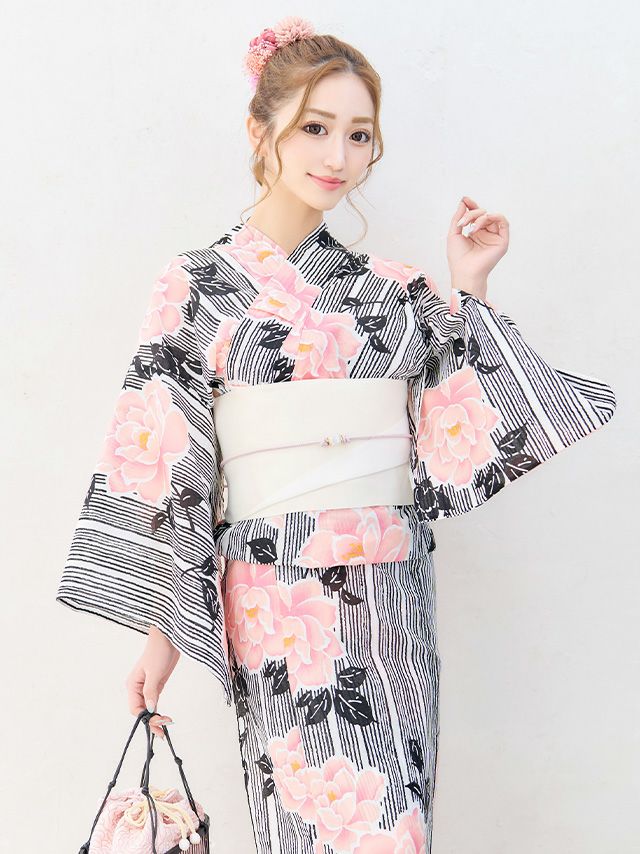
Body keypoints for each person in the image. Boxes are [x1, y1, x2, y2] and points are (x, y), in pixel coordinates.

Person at [56, 16, 617, 854]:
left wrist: (469, 286)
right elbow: (177, 468)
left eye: (358, 135)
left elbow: (458, 431)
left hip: (391, 589)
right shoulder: (197, 285)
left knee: (395, 825)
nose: (338, 155)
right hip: (274, 598)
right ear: (261, 131)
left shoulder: (397, 291)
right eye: (315, 127)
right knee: (305, 824)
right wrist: (163, 638)